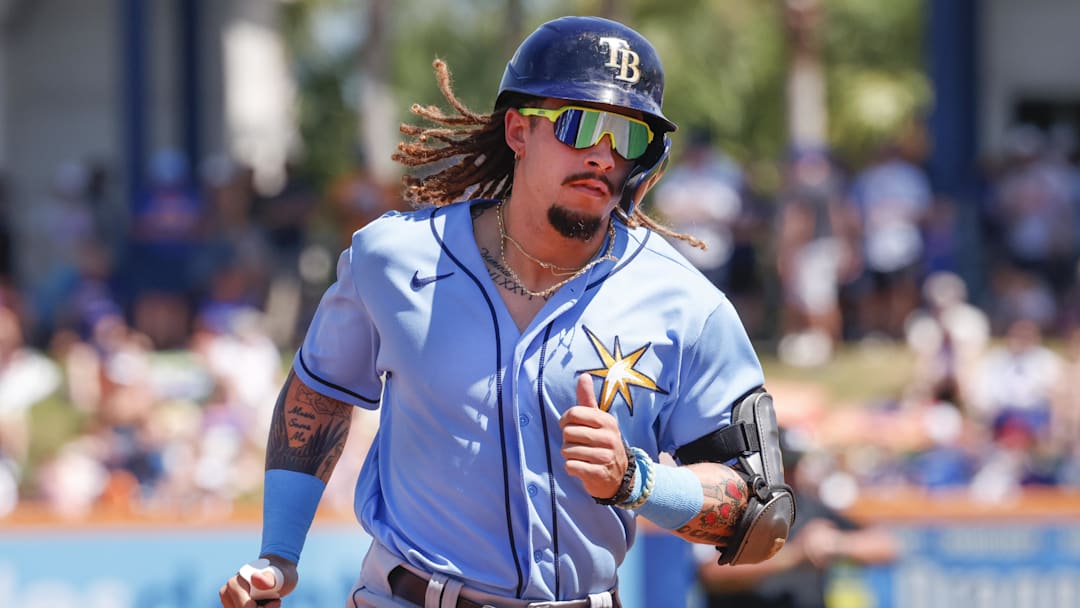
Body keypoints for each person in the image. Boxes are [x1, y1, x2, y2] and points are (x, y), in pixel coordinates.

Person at [220, 16, 790, 608]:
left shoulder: (686, 303)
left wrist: (638, 481)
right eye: (581, 123)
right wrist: (278, 554)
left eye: (629, 137)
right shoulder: (392, 259)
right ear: (518, 130)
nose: (603, 154)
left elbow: (759, 515)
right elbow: (319, 393)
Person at [696, 429, 900, 608]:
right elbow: (711, 575)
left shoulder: (808, 505)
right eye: (784, 467)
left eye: (795, 466)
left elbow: (887, 546)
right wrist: (792, 556)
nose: (791, 475)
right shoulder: (730, 507)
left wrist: (836, 544)